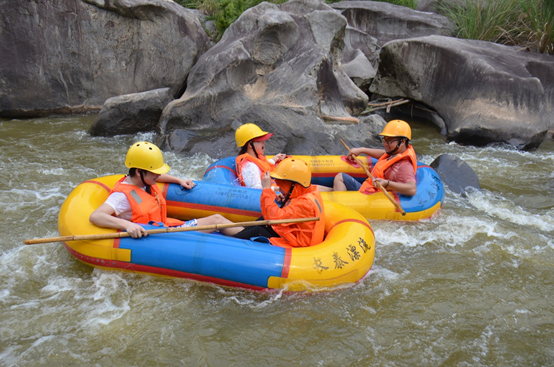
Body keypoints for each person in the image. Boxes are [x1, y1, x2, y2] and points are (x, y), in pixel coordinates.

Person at [90, 141, 244, 238]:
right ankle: (250, 238)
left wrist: (178, 180)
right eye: (155, 173)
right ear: (139, 172)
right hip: (160, 237)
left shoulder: (143, 180)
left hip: (165, 228)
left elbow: (159, 176)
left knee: (216, 223)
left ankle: (248, 234)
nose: (158, 176)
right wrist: (127, 226)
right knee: (216, 219)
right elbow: (96, 216)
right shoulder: (121, 196)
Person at [232, 158, 325, 248]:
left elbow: (274, 219)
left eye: (282, 186)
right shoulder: (305, 190)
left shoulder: (305, 204)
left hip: (299, 244)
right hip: (295, 234)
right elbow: (295, 209)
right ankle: (237, 236)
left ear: (293, 185)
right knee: (263, 221)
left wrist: (267, 189)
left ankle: (230, 243)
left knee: (258, 231)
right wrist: (287, 200)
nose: (280, 189)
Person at [325, 119, 417, 196]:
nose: (385, 144)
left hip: (373, 197)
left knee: (340, 177)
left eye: (390, 141)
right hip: (369, 190)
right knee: (328, 189)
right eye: (385, 140)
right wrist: (362, 150)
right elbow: (383, 154)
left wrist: (387, 183)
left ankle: (340, 206)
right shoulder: (395, 152)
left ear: (403, 141)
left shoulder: (404, 165)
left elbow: (412, 189)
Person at [235, 123, 287, 189]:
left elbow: (263, 164)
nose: (264, 143)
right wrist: (282, 189)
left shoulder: (255, 158)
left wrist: (275, 158)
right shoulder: (250, 167)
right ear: (250, 145)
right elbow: (256, 190)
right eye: (260, 141)